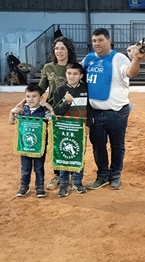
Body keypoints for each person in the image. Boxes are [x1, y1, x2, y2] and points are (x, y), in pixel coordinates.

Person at [83, 28, 145, 190]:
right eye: (95, 40)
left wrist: (136, 60)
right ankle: (102, 176)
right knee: (98, 146)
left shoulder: (118, 58)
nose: (97, 43)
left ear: (109, 41)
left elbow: (130, 73)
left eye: (101, 40)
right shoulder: (88, 59)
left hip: (117, 112)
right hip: (95, 112)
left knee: (117, 145)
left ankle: (116, 175)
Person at [39, 36, 77, 190]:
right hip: (54, 112)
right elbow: (41, 88)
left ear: (69, 50)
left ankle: (73, 175)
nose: (59, 51)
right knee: (56, 144)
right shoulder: (48, 67)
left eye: (62, 48)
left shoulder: (75, 67)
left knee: (70, 142)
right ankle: (58, 175)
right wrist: (23, 102)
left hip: (71, 111)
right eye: (56, 48)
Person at [9, 84, 54, 198]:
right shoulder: (23, 110)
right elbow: (11, 122)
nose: (31, 99)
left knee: (39, 168)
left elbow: (53, 122)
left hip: (39, 146)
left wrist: (50, 108)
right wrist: (12, 112)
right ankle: (24, 186)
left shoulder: (44, 111)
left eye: (34, 96)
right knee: (25, 168)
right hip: (25, 146)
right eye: (28, 96)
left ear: (41, 97)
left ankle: (40, 187)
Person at [52, 62, 89, 197]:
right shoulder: (60, 91)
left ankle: (77, 181)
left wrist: (88, 125)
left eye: (75, 74)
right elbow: (57, 112)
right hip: (64, 128)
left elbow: (90, 109)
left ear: (81, 76)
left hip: (80, 129)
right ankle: (63, 183)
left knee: (79, 154)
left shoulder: (86, 89)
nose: (71, 76)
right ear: (65, 74)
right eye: (69, 73)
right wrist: (66, 102)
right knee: (63, 155)